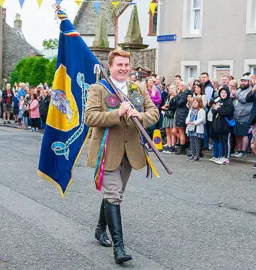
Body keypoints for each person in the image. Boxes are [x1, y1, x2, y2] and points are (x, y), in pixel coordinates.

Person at [85, 49, 159, 264]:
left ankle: (100, 229)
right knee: (114, 195)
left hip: (131, 151)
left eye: (127, 65)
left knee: (114, 194)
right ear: (110, 66)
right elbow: (90, 117)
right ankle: (119, 248)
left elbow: (154, 113)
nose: (124, 69)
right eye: (119, 65)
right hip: (107, 150)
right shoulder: (99, 88)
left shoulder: (138, 88)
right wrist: (117, 113)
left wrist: (140, 115)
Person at [186, 96, 206, 161]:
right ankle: (193, 154)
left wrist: (194, 122)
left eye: (195, 102)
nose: (194, 104)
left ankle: (197, 155)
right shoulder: (191, 110)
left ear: (199, 103)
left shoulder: (201, 110)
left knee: (197, 143)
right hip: (191, 128)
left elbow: (202, 119)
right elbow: (188, 117)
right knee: (192, 142)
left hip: (197, 129)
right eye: (193, 102)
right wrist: (187, 121)